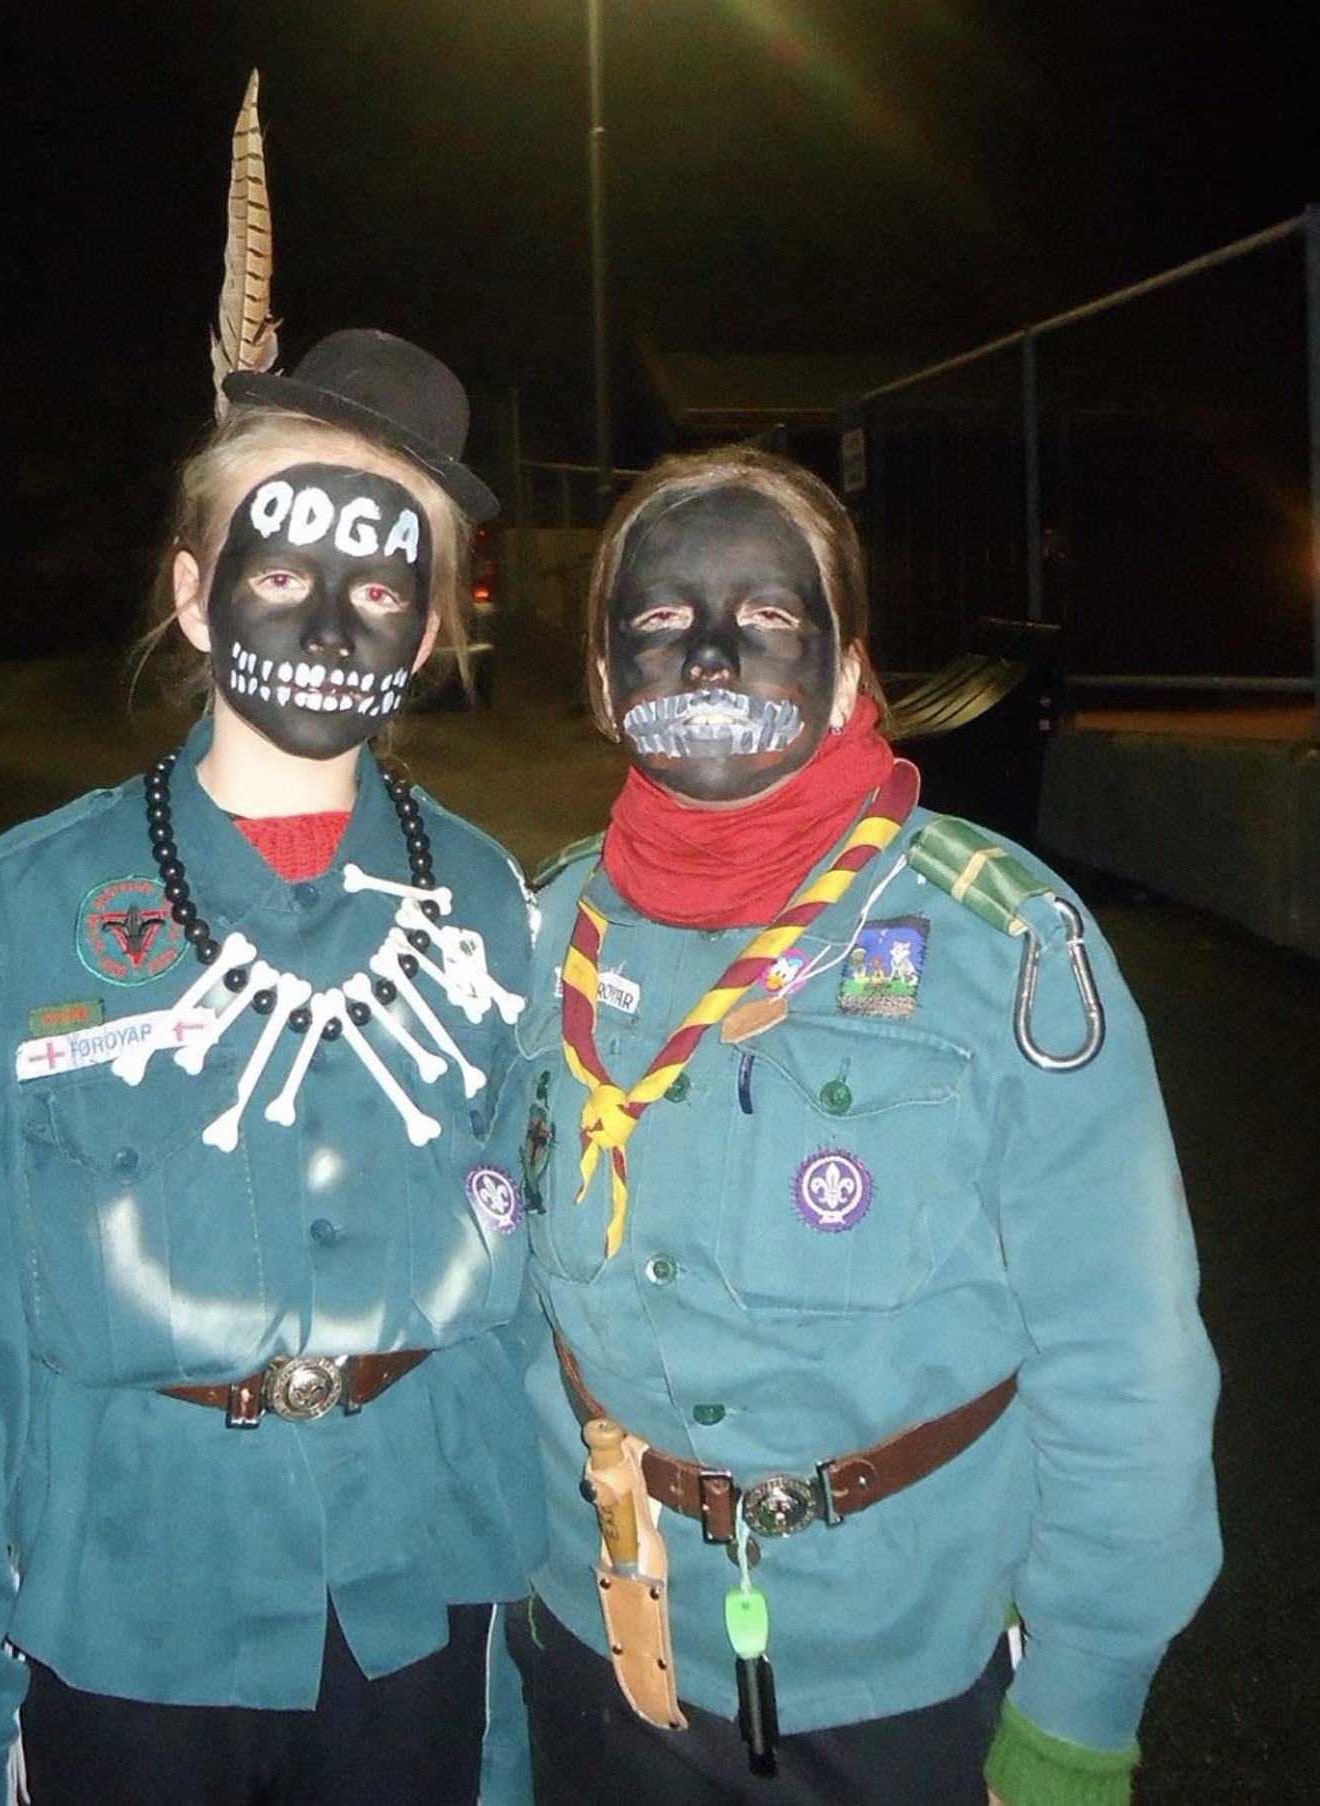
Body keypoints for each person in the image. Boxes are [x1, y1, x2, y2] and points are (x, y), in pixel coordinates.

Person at [0, 329, 543, 1806]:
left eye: (381, 588)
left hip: (423, 1609)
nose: (329, 621)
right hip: (126, 1621)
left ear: (426, 629)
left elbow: (533, 1303)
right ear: (192, 593)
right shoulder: (31, 907)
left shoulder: (488, 903)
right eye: (278, 572)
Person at [505, 445, 1220, 1806]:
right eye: (660, 622)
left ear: (846, 673)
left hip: (904, 1674)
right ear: (602, 680)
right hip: (593, 1650)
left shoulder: (1001, 941)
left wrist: (1080, 1710)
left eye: (768, 617)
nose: (709, 656)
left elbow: (1126, 1358)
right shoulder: (540, 936)